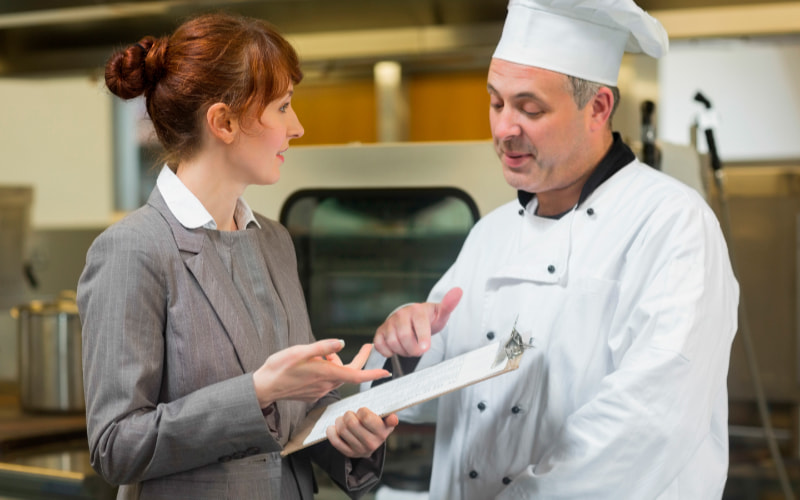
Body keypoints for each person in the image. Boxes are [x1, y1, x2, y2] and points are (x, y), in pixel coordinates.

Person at [367, 0, 739, 498]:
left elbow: (648, 421)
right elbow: (419, 392)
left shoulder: (672, 223)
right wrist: (402, 354)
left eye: (531, 109)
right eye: (496, 102)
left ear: (599, 108)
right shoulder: (492, 235)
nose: (504, 129)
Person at [77, 12, 397, 500]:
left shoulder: (274, 241)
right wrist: (258, 391)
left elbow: (293, 419)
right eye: (283, 107)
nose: (298, 127)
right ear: (224, 122)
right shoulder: (133, 250)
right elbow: (115, 446)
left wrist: (348, 434)